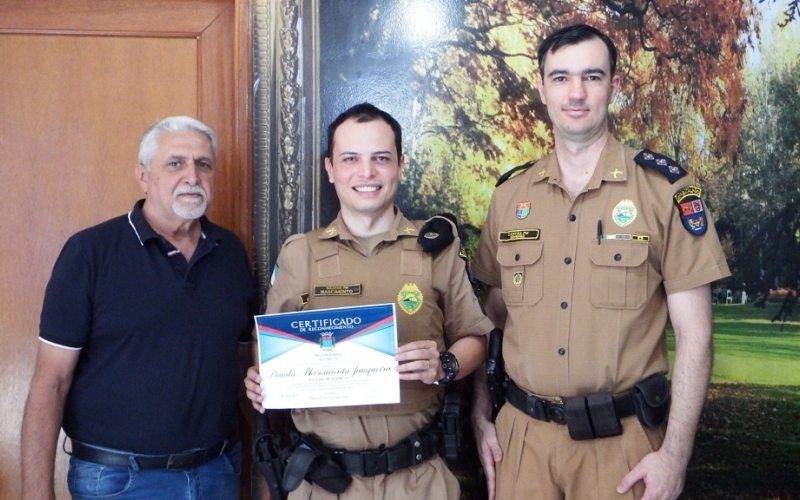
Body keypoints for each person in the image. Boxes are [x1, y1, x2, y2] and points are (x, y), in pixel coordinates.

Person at [470, 24, 731, 500]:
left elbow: (697, 336)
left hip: (621, 448)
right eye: (561, 77)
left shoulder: (664, 190)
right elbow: (491, 321)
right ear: (542, 88)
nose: (576, 92)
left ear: (614, 85)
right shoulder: (509, 197)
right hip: (521, 445)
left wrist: (674, 454)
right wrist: (480, 417)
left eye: (592, 76)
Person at [244, 102, 494, 500]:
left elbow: (475, 337)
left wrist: (444, 364)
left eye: (381, 158)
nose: (366, 172)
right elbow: (268, 345)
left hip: (418, 480)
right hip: (325, 484)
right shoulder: (299, 254)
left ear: (401, 165)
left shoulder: (436, 249)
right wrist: (263, 378)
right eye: (350, 159)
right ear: (330, 169)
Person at [21, 116, 256, 500]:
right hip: (118, 482)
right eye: (175, 163)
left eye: (204, 164)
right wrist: (35, 493)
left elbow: (246, 361)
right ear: (143, 176)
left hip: (219, 473)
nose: (192, 177)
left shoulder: (230, 252)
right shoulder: (90, 253)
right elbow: (51, 382)